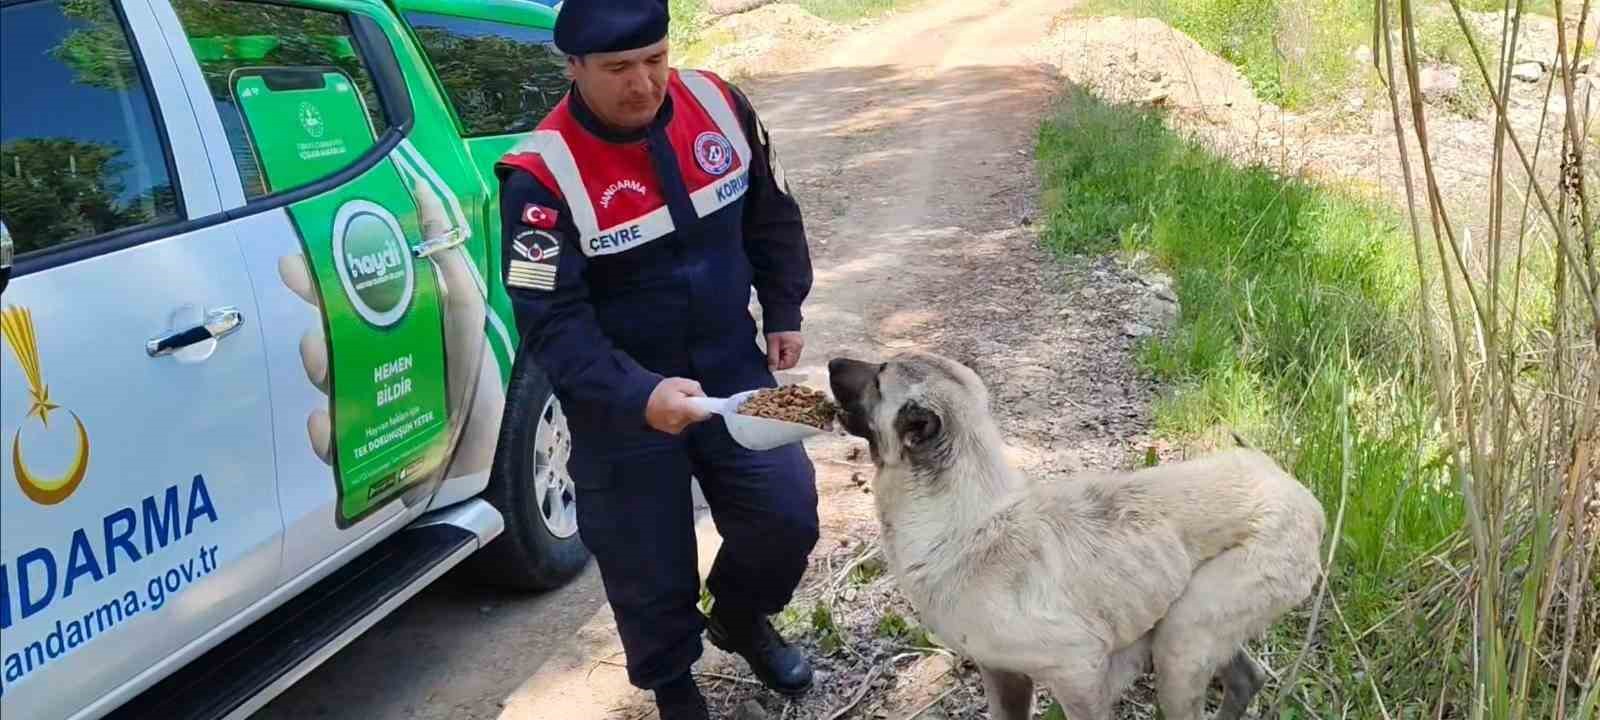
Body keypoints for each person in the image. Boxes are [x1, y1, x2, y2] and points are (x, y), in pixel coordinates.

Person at [494, 1, 818, 718]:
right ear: (573, 66)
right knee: (644, 557)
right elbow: (550, 324)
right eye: (617, 69)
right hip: (619, 399)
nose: (643, 84)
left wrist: (784, 307)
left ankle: (739, 614)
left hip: (734, 365)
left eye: (654, 59)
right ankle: (673, 685)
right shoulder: (539, 181)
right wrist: (637, 393)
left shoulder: (720, 103)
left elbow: (773, 210)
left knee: (788, 511)